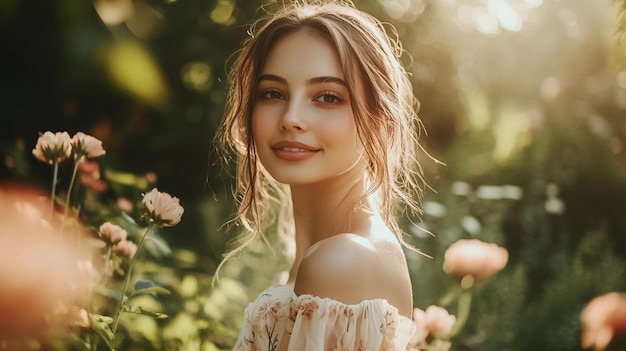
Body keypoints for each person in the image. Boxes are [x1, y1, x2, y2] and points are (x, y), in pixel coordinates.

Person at [215, 0, 428, 349]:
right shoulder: (325, 255)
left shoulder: (342, 261)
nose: (291, 117)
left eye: (327, 97)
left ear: (381, 118)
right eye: (272, 93)